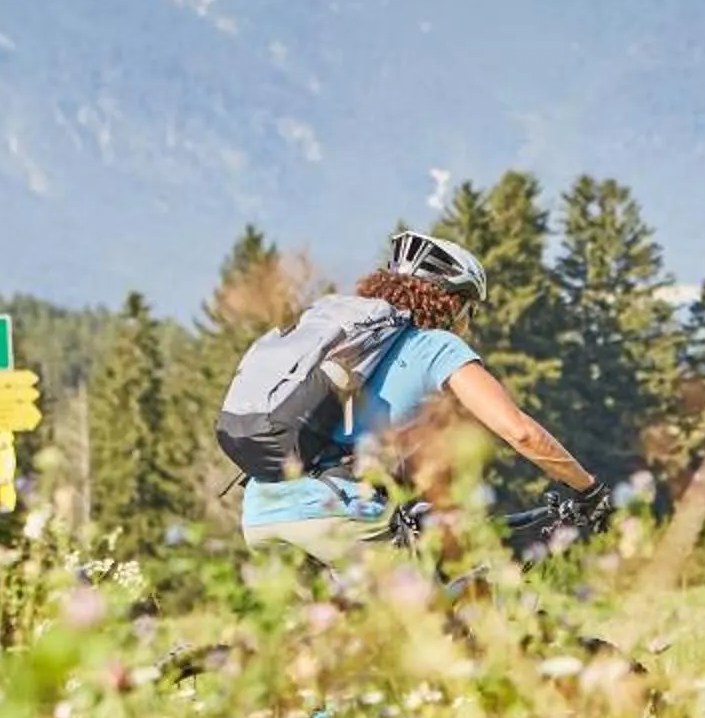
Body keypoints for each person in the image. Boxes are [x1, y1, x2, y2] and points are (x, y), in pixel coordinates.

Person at [239, 229, 614, 564]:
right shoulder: (435, 346)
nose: (468, 325)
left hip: (260, 509)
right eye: (470, 312)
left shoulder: (348, 346)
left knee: (323, 638)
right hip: (334, 514)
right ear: (450, 303)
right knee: (441, 623)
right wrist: (589, 489)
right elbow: (520, 432)